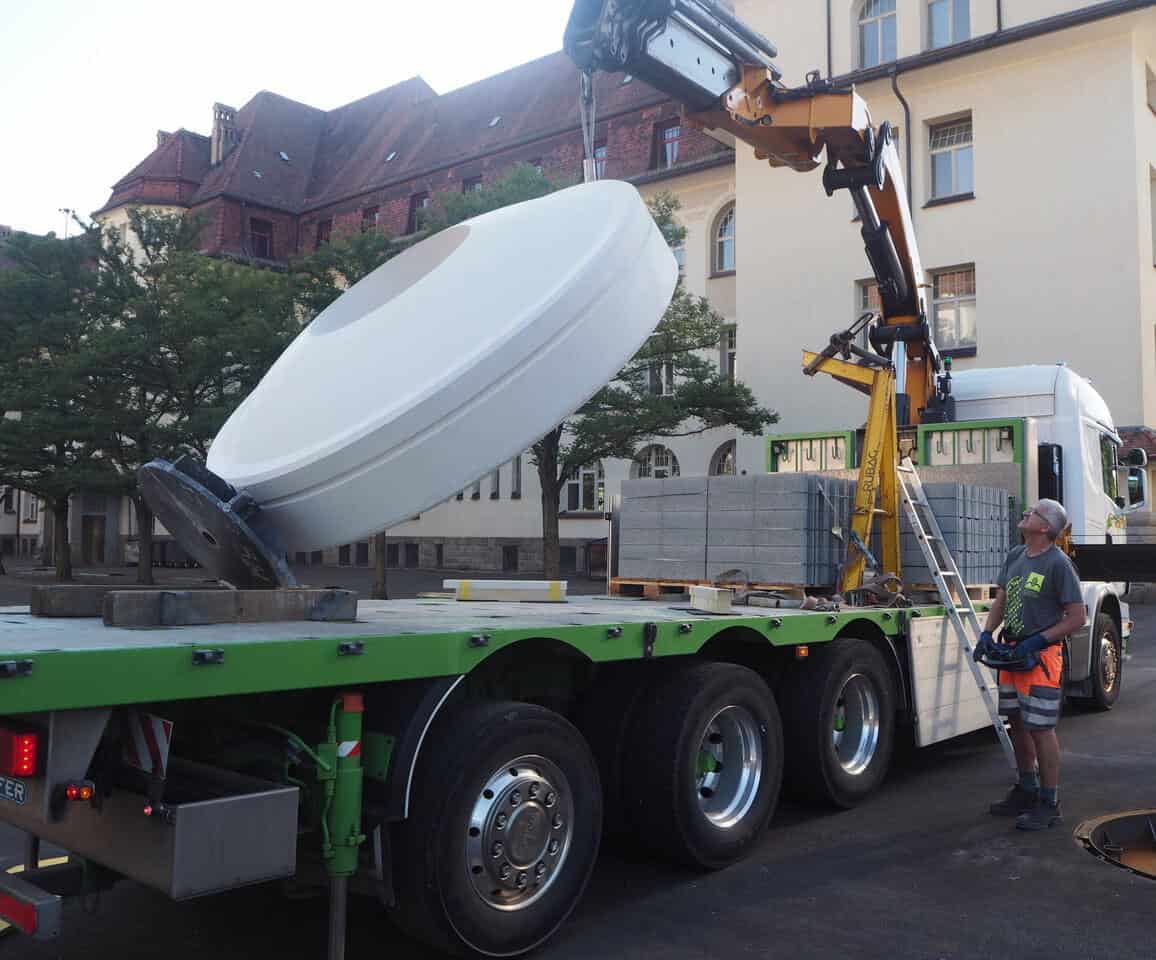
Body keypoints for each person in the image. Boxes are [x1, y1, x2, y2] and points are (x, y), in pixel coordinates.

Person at [975, 499, 1086, 831]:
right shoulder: (1015, 555)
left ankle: (1050, 804)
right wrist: (986, 633)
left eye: (1033, 513)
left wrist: (1039, 640)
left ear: (1045, 527)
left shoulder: (1058, 564)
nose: (1026, 513)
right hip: (1012, 652)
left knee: (1040, 728)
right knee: (1017, 722)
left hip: (1040, 657)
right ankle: (1027, 788)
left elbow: (1077, 617)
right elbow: (1003, 599)